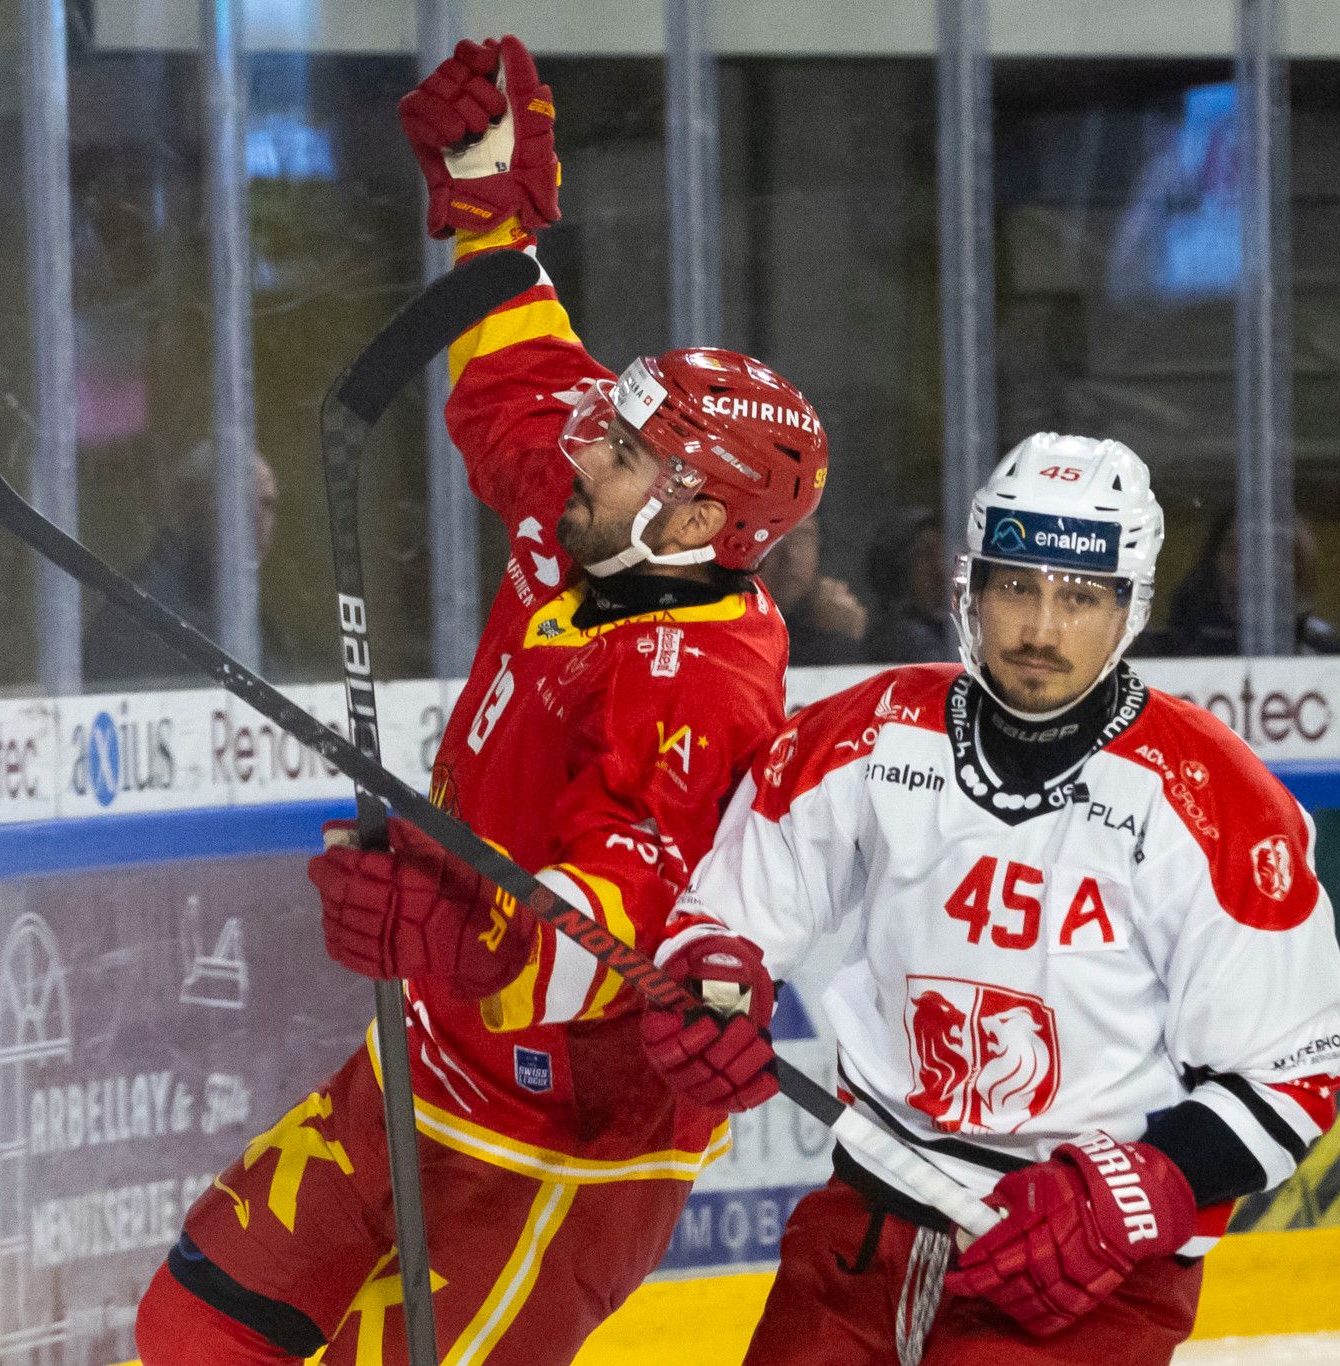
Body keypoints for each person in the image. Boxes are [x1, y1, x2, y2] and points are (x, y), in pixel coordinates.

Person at [135, 35, 830, 1366]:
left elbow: (617, 918)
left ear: (696, 514)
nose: (582, 444)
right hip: (424, 1061)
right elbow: (520, 375)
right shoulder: (592, 516)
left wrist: (458, 929)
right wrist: (487, 204)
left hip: (565, 1142)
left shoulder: (704, 686)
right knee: (195, 1330)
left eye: (621, 449)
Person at [640, 432, 1340, 1364]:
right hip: (862, 1237)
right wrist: (712, 990)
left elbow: (1293, 1073)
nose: (1041, 629)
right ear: (970, 588)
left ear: (1130, 607)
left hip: (1082, 1272)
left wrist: (1140, 1188)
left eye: (1080, 596)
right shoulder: (871, 732)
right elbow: (732, 913)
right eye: (1017, 586)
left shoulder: (1216, 802)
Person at [84, 439, 285, 684]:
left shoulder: (250, 621)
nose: (259, 520)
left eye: (267, 504)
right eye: (241, 501)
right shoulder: (142, 612)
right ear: (190, 504)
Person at [1135, 507, 1340, 657]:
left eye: (1271, 551)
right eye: (1236, 550)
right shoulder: (1186, 642)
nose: (1249, 563)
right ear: (1215, 558)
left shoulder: (1320, 645)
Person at [763, 513, 867, 665]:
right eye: (774, 539)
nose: (791, 555)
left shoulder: (830, 612)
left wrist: (842, 634)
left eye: (802, 538)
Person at [862, 505, 960, 663]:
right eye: (926, 555)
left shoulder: (949, 627)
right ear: (897, 568)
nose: (940, 568)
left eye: (942, 553)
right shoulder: (906, 638)